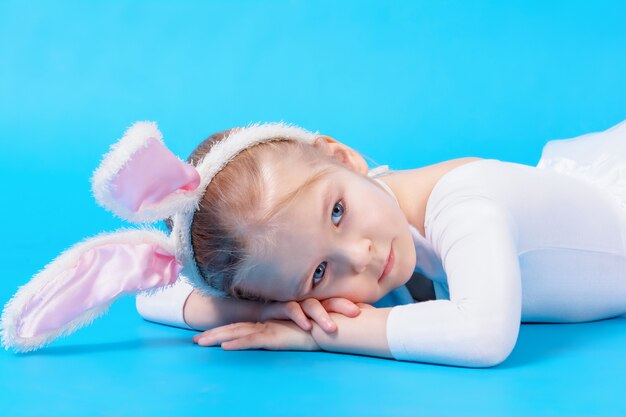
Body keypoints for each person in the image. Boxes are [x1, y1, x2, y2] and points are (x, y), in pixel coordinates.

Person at [2, 120, 625, 368]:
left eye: (337, 211)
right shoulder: (371, 211)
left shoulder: (465, 202)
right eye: (320, 275)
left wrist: (310, 329)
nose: (363, 256)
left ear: (340, 154)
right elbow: (152, 302)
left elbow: (485, 334)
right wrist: (266, 304)